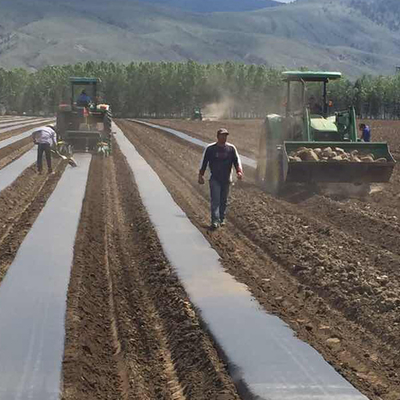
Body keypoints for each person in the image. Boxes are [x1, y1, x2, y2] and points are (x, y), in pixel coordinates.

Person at [198, 128, 243, 229]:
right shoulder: (210, 149)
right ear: (218, 137)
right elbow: (204, 162)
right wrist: (200, 175)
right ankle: (215, 220)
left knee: (223, 200)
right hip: (214, 178)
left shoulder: (231, 149)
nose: (224, 137)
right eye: (222, 135)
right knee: (215, 200)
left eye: (226, 135)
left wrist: (239, 171)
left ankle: (222, 219)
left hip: (226, 178)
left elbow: (236, 161)